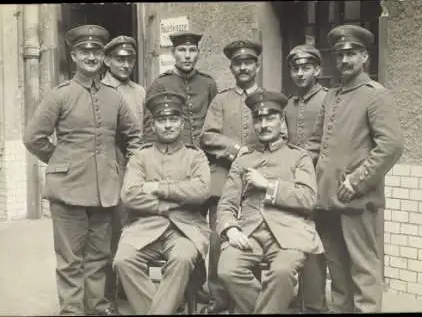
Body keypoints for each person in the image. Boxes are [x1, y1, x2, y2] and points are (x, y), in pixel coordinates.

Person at [23, 25, 142, 315]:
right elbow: (33, 137)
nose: (91, 56)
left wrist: (128, 171)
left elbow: (135, 137)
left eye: (96, 51)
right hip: (68, 192)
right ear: (73, 55)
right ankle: (72, 312)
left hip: (105, 193)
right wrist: (60, 160)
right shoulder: (59, 96)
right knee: (70, 261)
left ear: (103, 56)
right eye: (84, 51)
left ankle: (98, 309)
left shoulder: (115, 98)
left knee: (99, 258)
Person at [305, 24, 404, 313]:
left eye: (352, 53)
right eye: (339, 54)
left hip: (356, 200)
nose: (345, 60)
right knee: (337, 273)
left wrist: (357, 181)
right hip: (327, 200)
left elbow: (391, 145)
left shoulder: (376, 95)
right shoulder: (332, 96)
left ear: (365, 57)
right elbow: (315, 143)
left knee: (363, 270)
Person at [215, 90, 324, 314]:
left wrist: (268, 185)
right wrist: (230, 229)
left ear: (281, 121)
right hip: (250, 231)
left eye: (270, 118)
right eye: (258, 119)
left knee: (282, 272)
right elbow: (227, 204)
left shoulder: (298, 157)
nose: (263, 124)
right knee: (227, 269)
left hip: (289, 232)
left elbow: (309, 198)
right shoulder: (243, 160)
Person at [113, 91, 211, 314]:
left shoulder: (196, 157)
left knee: (183, 258)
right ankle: (165, 308)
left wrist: (158, 188)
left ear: (182, 122)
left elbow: (201, 191)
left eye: (173, 119)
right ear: (153, 125)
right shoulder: (141, 157)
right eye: (161, 120)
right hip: (144, 227)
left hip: (185, 228)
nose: (168, 125)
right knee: (123, 260)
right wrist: (171, 203)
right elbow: (130, 195)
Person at [199, 39, 264, 313]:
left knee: (252, 239)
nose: (243, 67)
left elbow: (279, 136)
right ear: (232, 67)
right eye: (238, 63)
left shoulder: (267, 98)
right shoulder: (221, 100)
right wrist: (237, 150)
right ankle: (218, 300)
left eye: (248, 62)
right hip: (224, 181)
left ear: (257, 66)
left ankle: (248, 302)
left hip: (256, 184)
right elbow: (207, 136)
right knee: (218, 241)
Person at [283, 44, 329, 313]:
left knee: (316, 245)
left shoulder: (328, 99)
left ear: (317, 70)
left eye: (306, 68)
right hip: (294, 185)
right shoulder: (289, 105)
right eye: (295, 68)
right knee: (296, 238)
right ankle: (299, 297)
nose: (300, 73)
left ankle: (314, 304)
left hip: (319, 183)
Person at [101, 34, 146, 303]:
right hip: (108, 166)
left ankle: (126, 289)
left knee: (130, 227)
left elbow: (142, 131)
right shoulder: (100, 87)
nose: (125, 64)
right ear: (107, 61)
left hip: (133, 165)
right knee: (107, 232)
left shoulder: (139, 91)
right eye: (120, 59)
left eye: (129, 59)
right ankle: (107, 294)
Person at [143, 31, 218, 147]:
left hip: (204, 153)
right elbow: (150, 129)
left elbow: (215, 124)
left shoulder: (208, 83)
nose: (187, 56)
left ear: (198, 53)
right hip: (172, 153)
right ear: (173, 53)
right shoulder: (160, 84)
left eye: (192, 50)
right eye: (182, 50)